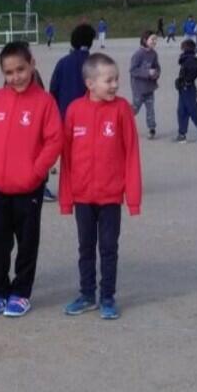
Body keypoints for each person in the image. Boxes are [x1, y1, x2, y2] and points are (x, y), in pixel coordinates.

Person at [0, 41, 63, 317]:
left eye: (21, 69)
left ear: (32, 64)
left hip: (28, 188)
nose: (16, 77)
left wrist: (36, 172)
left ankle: (21, 292)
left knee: (26, 241)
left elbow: (54, 140)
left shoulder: (45, 102)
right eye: (9, 72)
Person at [59, 53, 142, 320]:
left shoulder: (122, 109)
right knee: (85, 247)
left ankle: (107, 296)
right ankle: (87, 295)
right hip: (83, 196)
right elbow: (66, 157)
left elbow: (131, 153)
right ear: (90, 83)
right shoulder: (74, 110)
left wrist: (133, 198)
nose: (115, 85)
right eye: (109, 80)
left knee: (108, 248)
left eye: (116, 79)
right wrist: (66, 198)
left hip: (110, 196)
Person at [47, 23, 96, 197]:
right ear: (90, 42)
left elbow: (53, 89)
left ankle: (67, 185)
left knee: (66, 152)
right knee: (88, 152)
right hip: (90, 116)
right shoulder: (94, 64)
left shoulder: (63, 62)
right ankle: (87, 183)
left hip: (65, 115)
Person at [174, 39, 197, 143]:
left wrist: (187, 81)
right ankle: (182, 134)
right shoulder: (187, 59)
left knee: (192, 110)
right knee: (182, 110)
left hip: (188, 88)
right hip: (184, 88)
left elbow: (195, 72)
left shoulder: (190, 59)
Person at [130, 30, 161, 140]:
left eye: (155, 39)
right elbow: (133, 70)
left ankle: (152, 129)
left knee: (150, 109)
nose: (154, 41)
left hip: (149, 88)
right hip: (139, 89)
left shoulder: (154, 54)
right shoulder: (138, 54)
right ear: (144, 40)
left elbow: (157, 67)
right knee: (134, 109)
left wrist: (156, 74)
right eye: (152, 39)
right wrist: (147, 72)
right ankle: (121, 122)